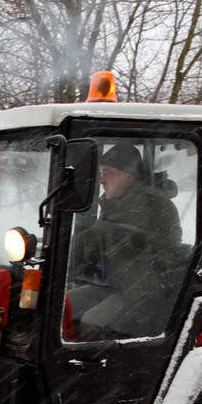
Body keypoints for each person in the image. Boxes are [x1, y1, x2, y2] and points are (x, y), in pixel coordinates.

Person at [69, 143, 184, 338]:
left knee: (91, 320)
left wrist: (79, 249)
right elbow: (95, 240)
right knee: (64, 305)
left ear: (128, 175)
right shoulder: (114, 203)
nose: (101, 179)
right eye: (100, 172)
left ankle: (92, 365)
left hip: (145, 292)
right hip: (115, 283)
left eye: (108, 172)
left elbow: (116, 239)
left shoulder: (154, 205)